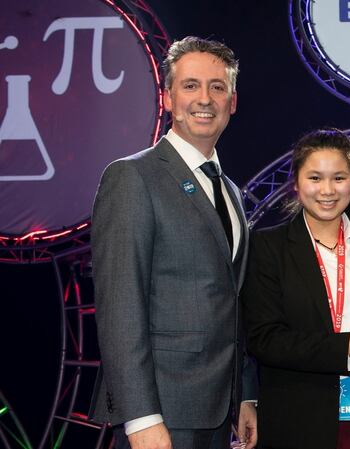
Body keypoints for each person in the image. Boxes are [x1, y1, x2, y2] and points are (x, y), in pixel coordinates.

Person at [91, 37, 257, 449]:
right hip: (162, 413)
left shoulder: (231, 191)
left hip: (220, 410)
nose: (205, 98)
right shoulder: (133, 177)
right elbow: (119, 307)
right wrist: (140, 417)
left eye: (217, 87)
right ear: (167, 98)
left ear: (232, 102)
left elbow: (233, 303)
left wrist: (245, 394)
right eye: (190, 86)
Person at [241, 129, 350, 449]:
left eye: (339, 178)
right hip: (297, 423)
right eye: (315, 178)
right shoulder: (268, 248)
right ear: (296, 183)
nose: (327, 190)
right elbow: (265, 339)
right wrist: (346, 347)